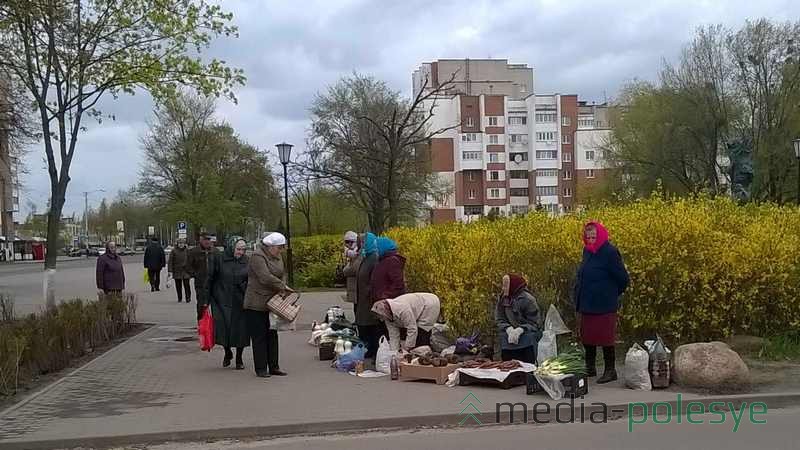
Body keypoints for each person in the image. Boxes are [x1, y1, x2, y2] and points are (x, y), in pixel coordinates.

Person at [574, 221, 630, 384]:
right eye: (588, 237)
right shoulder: (587, 251)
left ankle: (610, 370)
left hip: (604, 303)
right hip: (587, 301)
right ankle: (590, 367)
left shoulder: (610, 252)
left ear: (601, 235)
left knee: (606, 337)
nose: (591, 240)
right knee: (588, 337)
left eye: (594, 237)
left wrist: (612, 293)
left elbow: (623, 278)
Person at [243, 232, 291, 378]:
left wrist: (283, 285)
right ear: (270, 246)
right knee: (259, 336)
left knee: (272, 334)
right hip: (256, 302)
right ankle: (261, 368)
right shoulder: (257, 256)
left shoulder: (277, 256)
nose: (280, 250)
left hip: (272, 301)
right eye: (279, 247)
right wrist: (282, 286)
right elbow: (264, 277)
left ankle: (274, 366)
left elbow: (282, 272)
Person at [206, 236, 250, 370]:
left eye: (243, 249)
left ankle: (239, 358)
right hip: (221, 299)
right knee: (223, 328)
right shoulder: (219, 259)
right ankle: (227, 352)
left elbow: (251, 279)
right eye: (238, 249)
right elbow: (209, 278)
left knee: (241, 330)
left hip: (240, 299)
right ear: (231, 247)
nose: (241, 252)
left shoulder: (246, 261)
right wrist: (205, 300)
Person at [495, 274, 542, 364]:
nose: (503, 288)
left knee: (526, 363)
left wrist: (520, 330)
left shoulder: (528, 300)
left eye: (505, 285)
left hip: (527, 334)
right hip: (509, 334)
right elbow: (499, 318)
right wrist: (508, 329)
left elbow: (535, 323)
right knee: (508, 360)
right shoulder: (503, 299)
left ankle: (528, 373)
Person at [371, 293, 440, 352]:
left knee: (422, 335)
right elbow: (393, 336)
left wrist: (406, 349)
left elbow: (412, 329)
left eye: (381, 316)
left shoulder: (403, 309)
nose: (381, 320)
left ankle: (424, 360)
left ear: (386, 311)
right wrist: (394, 353)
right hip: (419, 306)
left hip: (430, 304)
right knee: (411, 341)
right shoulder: (387, 316)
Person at [353, 232, 381, 359]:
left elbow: (374, 279)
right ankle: (370, 349)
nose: (362, 244)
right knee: (363, 324)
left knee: (370, 325)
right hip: (362, 297)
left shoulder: (374, 258)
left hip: (369, 298)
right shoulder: (366, 256)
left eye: (364, 242)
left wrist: (369, 291)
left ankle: (374, 350)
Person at [189, 232, 219, 320]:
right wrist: (195, 274)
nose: (207, 242)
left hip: (214, 282)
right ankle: (201, 321)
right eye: (204, 239)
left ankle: (213, 322)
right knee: (202, 303)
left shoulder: (216, 252)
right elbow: (188, 265)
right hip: (200, 282)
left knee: (214, 302)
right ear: (200, 240)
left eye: (208, 239)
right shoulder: (194, 252)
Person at [168, 238, 192, 303]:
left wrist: (191, 269)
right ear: (177, 244)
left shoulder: (187, 251)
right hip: (177, 270)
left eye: (182, 243)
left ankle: (188, 297)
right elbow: (170, 261)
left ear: (184, 244)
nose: (181, 245)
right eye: (180, 243)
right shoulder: (174, 251)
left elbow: (191, 260)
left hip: (186, 271)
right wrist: (170, 271)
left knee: (187, 285)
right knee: (178, 286)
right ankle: (179, 297)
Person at [341, 231, 360, 305]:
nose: (348, 244)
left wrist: (345, 270)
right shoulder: (352, 254)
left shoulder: (357, 254)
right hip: (353, 286)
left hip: (356, 286)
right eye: (347, 242)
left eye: (350, 242)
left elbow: (352, 269)